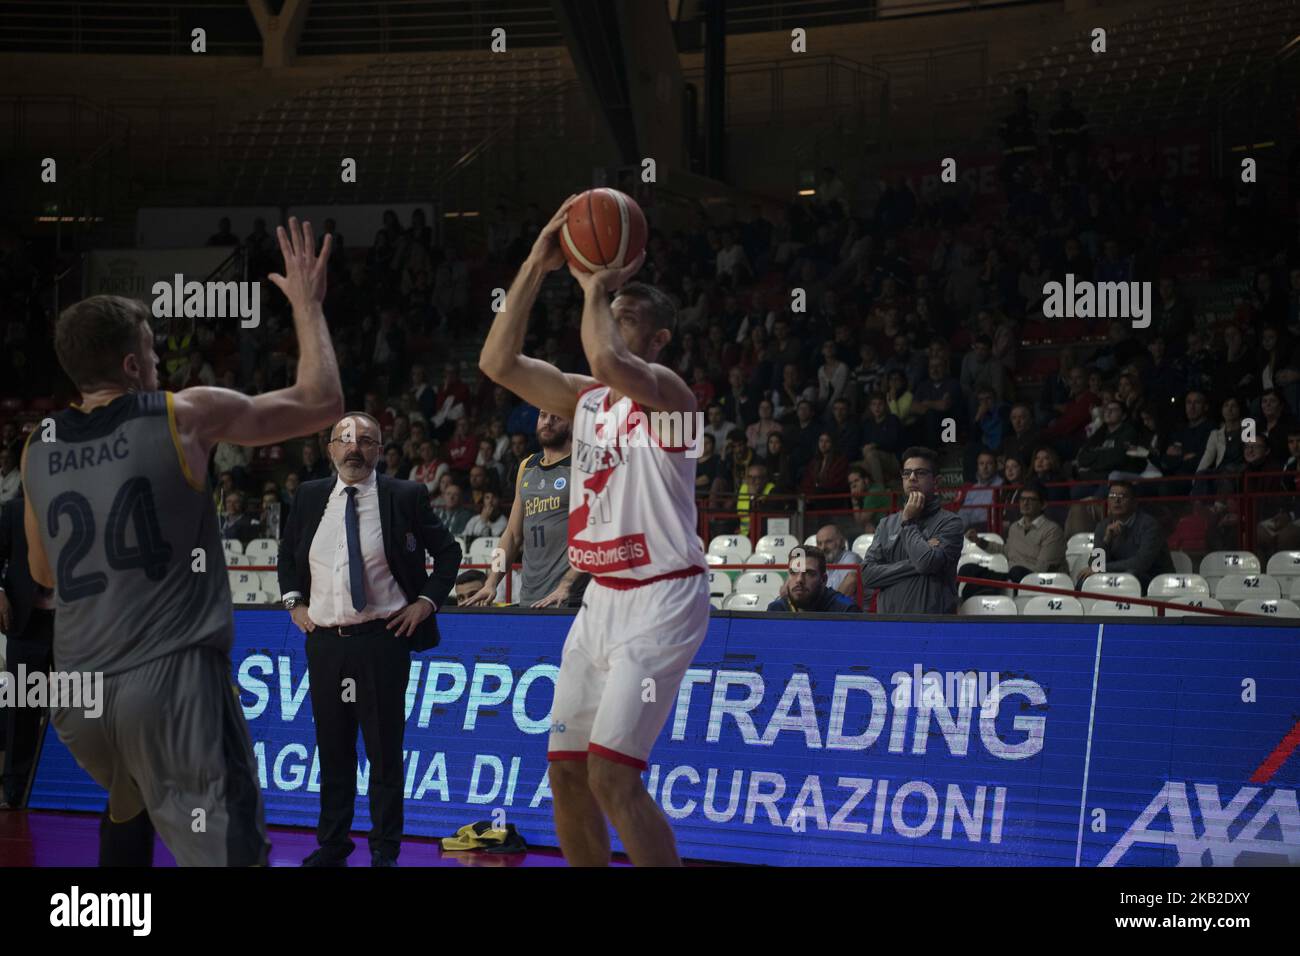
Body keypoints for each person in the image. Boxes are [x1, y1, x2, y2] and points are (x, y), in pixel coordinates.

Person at [20, 218, 342, 866]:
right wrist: (307, 305)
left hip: (79, 700)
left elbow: (42, 572)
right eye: (154, 353)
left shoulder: (37, 445)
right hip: (169, 688)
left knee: (129, 803)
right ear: (134, 364)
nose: (163, 365)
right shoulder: (180, 414)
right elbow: (321, 400)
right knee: (235, 852)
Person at [479, 193, 710, 867]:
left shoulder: (673, 396)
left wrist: (596, 282)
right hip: (600, 600)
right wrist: (536, 262)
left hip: (663, 596)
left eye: (626, 315)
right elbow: (497, 363)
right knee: (567, 774)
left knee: (613, 776)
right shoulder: (585, 401)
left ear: (660, 338)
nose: (609, 317)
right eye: (609, 312)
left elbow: (610, 362)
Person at [277, 411, 461, 867]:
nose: (354, 447)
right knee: (332, 749)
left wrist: (426, 602)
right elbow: (286, 555)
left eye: (365, 440)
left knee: (383, 751)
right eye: (344, 439)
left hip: (383, 640)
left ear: (380, 449)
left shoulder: (405, 495)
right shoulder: (307, 496)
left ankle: (384, 850)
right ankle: (333, 844)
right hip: (324, 643)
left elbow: (449, 551)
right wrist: (294, 603)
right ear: (331, 449)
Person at [464, 410, 588, 608]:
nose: (547, 422)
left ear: (572, 423)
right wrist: (491, 581)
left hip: (570, 598)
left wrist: (567, 585)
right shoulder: (527, 466)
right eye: (543, 416)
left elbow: (594, 535)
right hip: (530, 596)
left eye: (556, 417)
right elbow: (512, 535)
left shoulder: (583, 464)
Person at [859, 446, 965, 614]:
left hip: (932, 626)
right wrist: (915, 562)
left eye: (920, 473)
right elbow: (868, 575)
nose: (912, 478)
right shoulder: (886, 524)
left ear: (936, 481)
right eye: (907, 473)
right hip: (890, 625)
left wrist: (908, 522)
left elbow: (926, 562)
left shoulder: (951, 523)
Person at [0, 488, 55, 809]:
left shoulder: (87, 504)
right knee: (22, 710)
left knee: (80, 708)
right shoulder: (14, 510)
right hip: (27, 623)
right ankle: (14, 790)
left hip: (72, 627)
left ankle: (82, 788)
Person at [960, 481, 1067, 597]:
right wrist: (979, 541)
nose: (1025, 503)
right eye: (1022, 499)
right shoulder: (1015, 527)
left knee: (1015, 571)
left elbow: (1042, 568)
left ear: (1043, 504)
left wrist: (1012, 575)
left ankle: (993, 588)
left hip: (1038, 581)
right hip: (1011, 577)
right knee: (967, 569)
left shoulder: (1052, 531)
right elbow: (1007, 550)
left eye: (1031, 499)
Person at [1076, 480, 1173, 592]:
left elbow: (1141, 563)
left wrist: (1103, 568)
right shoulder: (1103, 526)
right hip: (1117, 578)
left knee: (1129, 578)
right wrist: (1106, 541)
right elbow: (1095, 565)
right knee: (1084, 581)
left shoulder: (1149, 525)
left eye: (1123, 496)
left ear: (1134, 503)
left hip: (1152, 580)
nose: (1117, 500)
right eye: (1112, 496)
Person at [767, 546, 860, 612]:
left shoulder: (846, 611)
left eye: (809, 573)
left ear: (823, 580)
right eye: (793, 572)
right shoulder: (776, 609)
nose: (799, 579)